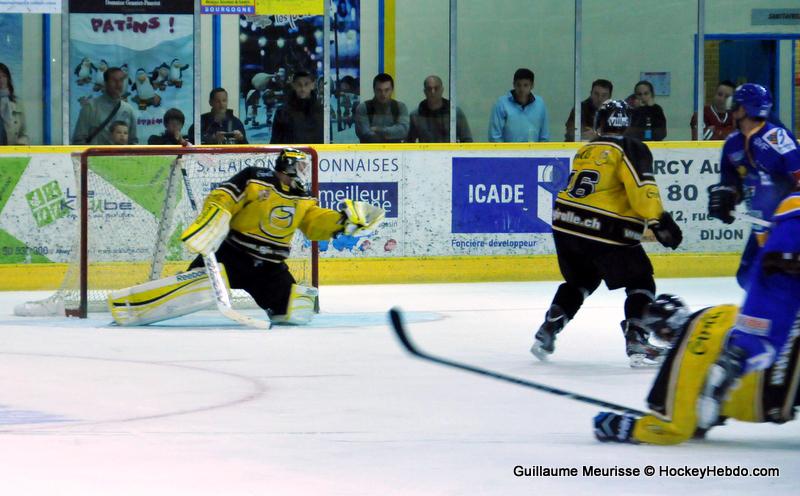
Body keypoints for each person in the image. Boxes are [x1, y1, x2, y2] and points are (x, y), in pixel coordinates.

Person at [594, 191, 800, 444]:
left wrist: (620, 426)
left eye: (661, 332)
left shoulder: (689, 351)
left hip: (774, 390)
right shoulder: (723, 313)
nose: (663, 337)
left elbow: (675, 425)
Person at [530, 99, 682, 367]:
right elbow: (641, 187)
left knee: (582, 280)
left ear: (600, 124)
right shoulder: (631, 147)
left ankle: (548, 330)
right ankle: (638, 340)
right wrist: (659, 220)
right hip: (603, 227)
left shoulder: (586, 150)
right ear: (627, 124)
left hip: (565, 222)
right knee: (641, 281)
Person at [179, 148, 384, 322]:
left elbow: (314, 222)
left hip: (269, 269)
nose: (305, 172)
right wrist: (217, 213)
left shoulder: (302, 198)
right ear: (289, 166)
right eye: (302, 167)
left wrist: (343, 222)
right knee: (184, 291)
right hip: (232, 257)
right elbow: (225, 195)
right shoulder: (255, 178)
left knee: (295, 311)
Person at [706, 83, 800, 288]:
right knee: (747, 276)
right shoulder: (732, 144)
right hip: (760, 227)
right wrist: (727, 196)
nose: (731, 110)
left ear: (744, 109)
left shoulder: (778, 138)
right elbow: (731, 182)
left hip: (787, 225)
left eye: (736, 105)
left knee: (778, 279)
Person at [72, 67, 138, 145]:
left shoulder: (128, 110)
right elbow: (79, 141)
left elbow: (133, 142)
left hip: (121, 157)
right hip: (95, 156)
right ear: (105, 83)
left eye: (121, 80)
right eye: (114, 80)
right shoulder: (90, 107)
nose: (118, 84)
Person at [407, 75, 473, 143]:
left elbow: (467, 140)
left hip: (450, 152)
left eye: (436, 88)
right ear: (425, 91)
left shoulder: (454, 113)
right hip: (426, 153)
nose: (433, 92)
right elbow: (408, 143)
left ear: (442, 90)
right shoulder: (415, 116)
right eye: (429, 89)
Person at [489, 68, 549, 142]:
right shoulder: (502, 104)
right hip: (508, 152)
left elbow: (544, 135)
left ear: (532, 86)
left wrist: (541, 152)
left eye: (525, 85)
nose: (522, 89)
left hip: (534, 152)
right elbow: (495, 136)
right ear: (513, 84)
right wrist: (504, 153)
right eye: (518, 85)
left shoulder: (540, 104)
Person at [270, 71, 323, 144]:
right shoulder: (282, 113)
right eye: (299, 84)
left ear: (312, 85)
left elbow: (328, 141)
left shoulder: (322, 112)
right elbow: (275, 142)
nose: (303, 88)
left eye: (306, 84)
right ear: (294, 85)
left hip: (317, 154)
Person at [354, 73, 409, 143]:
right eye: (379, 90)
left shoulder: (400, 107)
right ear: (374, 90)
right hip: (369, 152)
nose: (383, 94)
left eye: (387, 90)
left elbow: (404, 131)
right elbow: (365, 134)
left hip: (395, 152)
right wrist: (393, 133)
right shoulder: (363, 108)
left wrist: (379, 129)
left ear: (392, 90)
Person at [0, 63, 29, 145]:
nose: (1, 80)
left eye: (4, 76)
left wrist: (21, 144)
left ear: (8, 79)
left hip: (10, 153)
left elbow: (23, 133)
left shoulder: (17, 103)